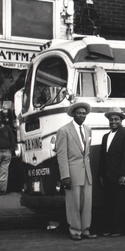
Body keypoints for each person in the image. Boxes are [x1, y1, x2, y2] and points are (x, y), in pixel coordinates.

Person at [55, 102, 95, 241]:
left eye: (84, 113)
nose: (82, 115)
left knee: (86, 203)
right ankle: (75, 230)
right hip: (72, 173)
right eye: (79, 113)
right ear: (73, 114)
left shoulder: (88, 130)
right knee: (74, 204)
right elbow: (61, 155)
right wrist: (65, 175)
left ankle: (85, 229)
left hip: (86, 174)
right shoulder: (64, 131)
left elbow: (87, 154)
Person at [98, 106, 125, 236]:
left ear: (121, 120)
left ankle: (120, 229)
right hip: (108, 176)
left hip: (120, 176)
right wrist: (101, 175)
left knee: (120, 203)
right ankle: (110, 228)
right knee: (109, 203)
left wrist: (123, 175)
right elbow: (103, 157)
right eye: (111, 119)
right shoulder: (105, 136)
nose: (113, 122)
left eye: (116, 119)